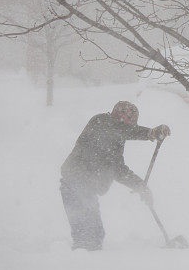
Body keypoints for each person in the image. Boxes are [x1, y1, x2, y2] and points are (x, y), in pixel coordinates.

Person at [60, 101, 171, 250]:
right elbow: (120, 129)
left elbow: (118, 169)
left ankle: (86, 263)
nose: (130, 126)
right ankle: (79, 264)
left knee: (95, 235)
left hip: (85, 188)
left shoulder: (115, 139)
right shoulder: (100, 122)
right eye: (129, 121)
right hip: (75, 183)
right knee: (87, 237)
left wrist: (141, 187)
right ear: (120, 115)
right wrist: (150, 133)